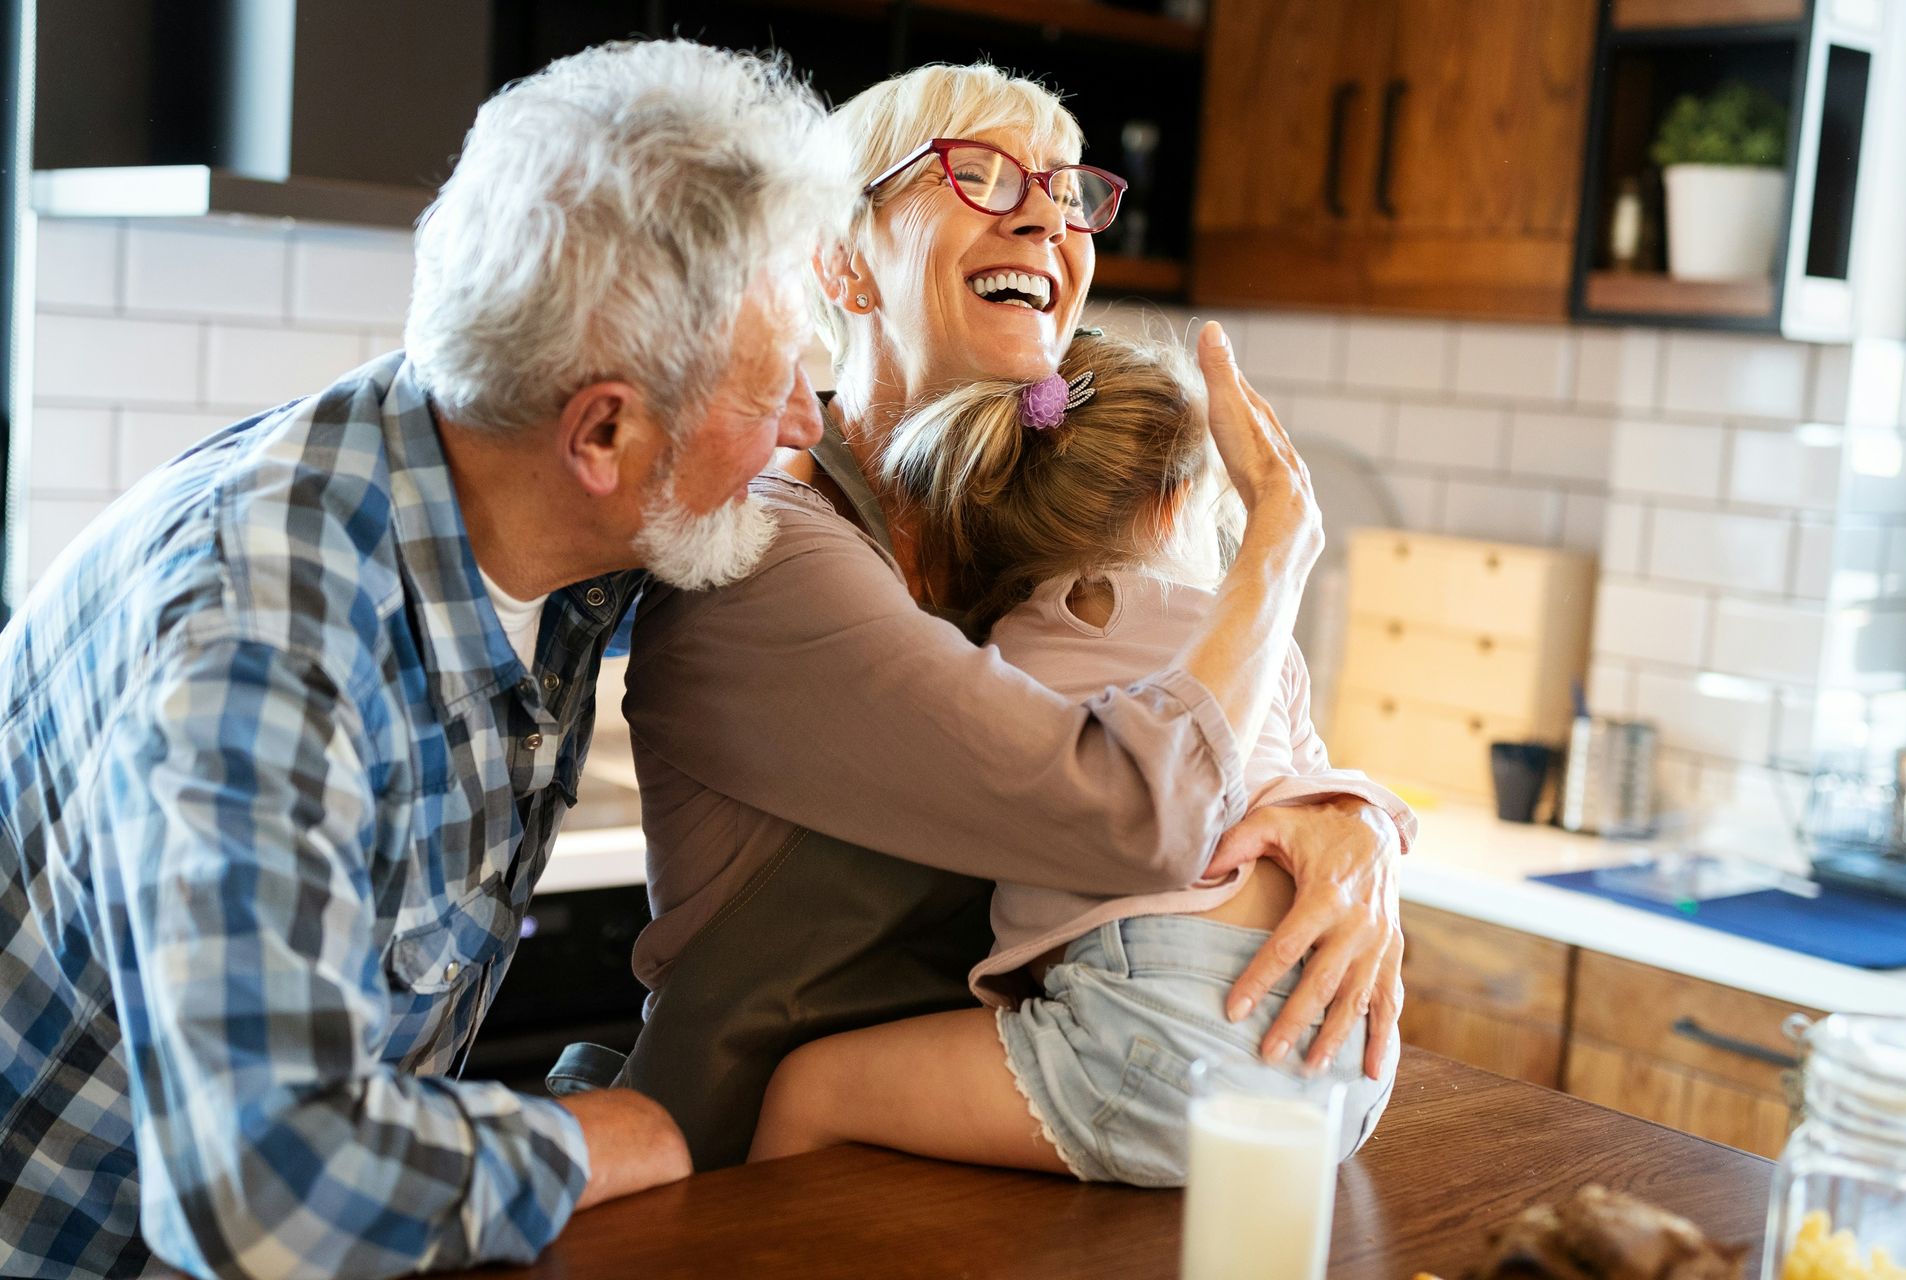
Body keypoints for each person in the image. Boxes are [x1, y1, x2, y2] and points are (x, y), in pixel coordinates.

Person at [0, 40, 848, 1279]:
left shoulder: (523, 495)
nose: (804, 424)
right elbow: (267, 1190)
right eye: (773, 386)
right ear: (603, 431)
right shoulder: (261, 637)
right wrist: (588, 1136)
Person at [600, 63, 1413, 1170]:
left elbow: (1252, 733)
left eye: (1066, 191)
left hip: (985, 1168)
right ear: (839, 258)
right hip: (748, 1187)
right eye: (976, 175)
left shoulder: (1039, 538)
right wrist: (1277, 544)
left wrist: (1351, 825)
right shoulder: (765, 546)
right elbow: (1135, 807)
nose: (1044, 213)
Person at [746, 330, 1413, 1180]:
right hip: (1343, 1065)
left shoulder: (995, 654)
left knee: (811, 1091)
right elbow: (1318, 782)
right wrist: (1370, 819)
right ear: (1176, 508)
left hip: (1158, 1032)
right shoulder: (1261, 642)